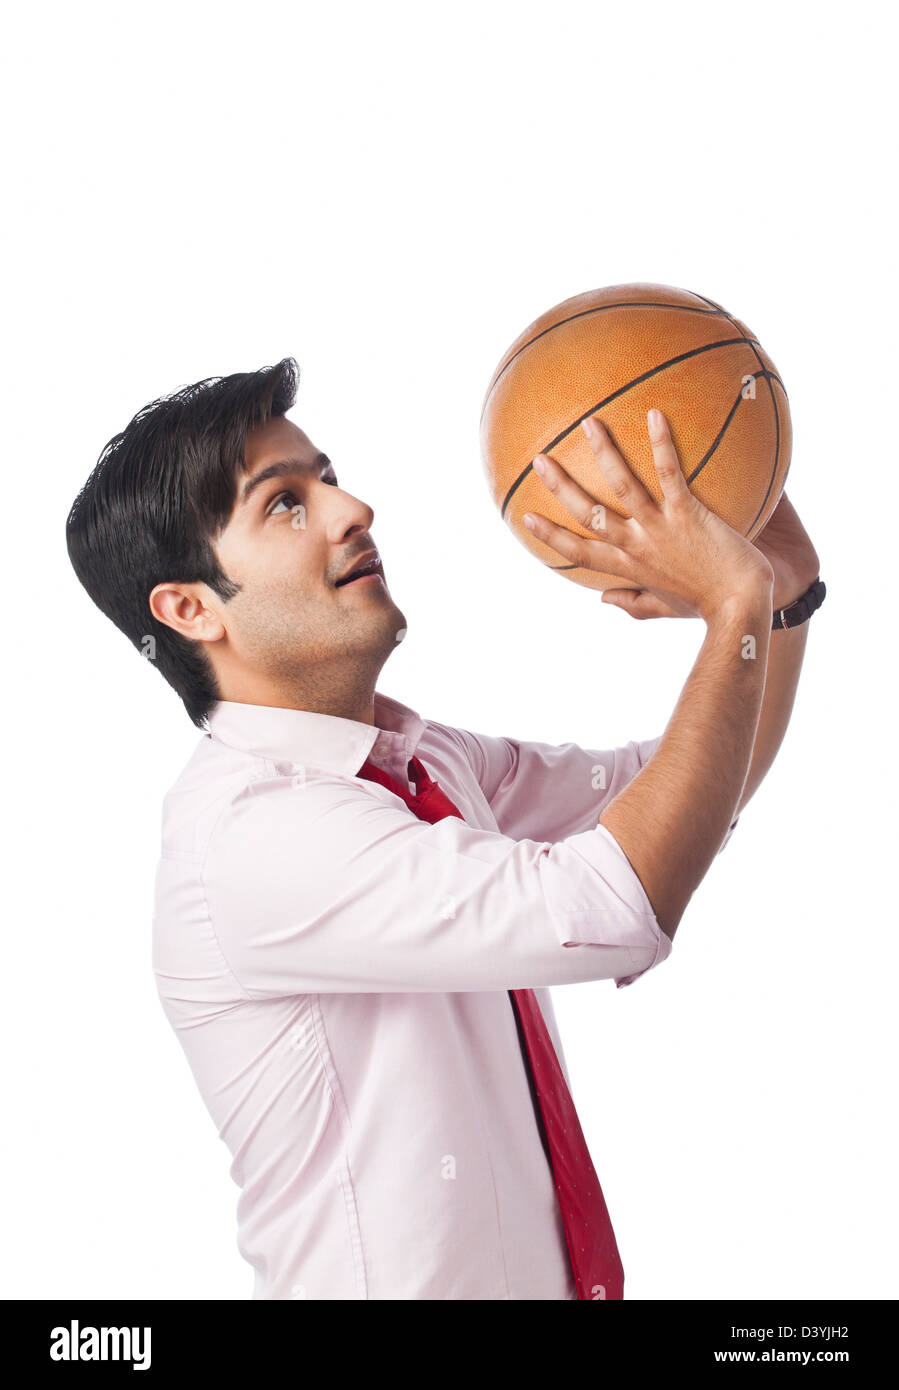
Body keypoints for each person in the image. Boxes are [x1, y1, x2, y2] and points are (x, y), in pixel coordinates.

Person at [65, 357, 822, 1299]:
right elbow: (617, 902)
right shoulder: (255, 835)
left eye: (328, 478)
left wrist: (779, 600)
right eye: (285, 505)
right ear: (189, 609)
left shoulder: (414, 760)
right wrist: (731, 610)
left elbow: (689, 791)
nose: (352, 511)